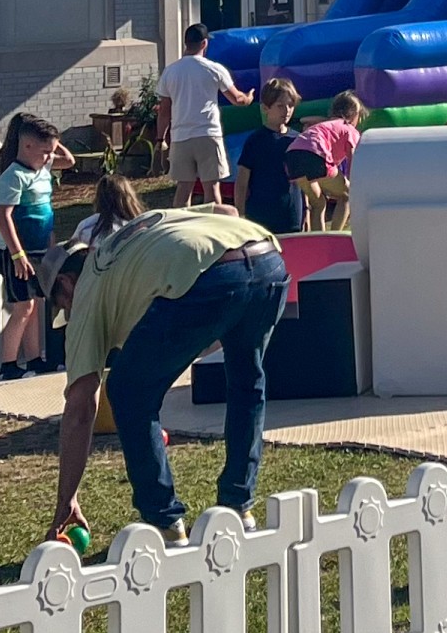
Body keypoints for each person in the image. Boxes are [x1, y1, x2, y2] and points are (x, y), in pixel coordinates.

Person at [46, 208, 286, 546]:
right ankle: (237, 507)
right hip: (267, 259)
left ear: (65, 284)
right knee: (247, 380)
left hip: (210, 277)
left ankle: (164, 521)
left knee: (128, 392)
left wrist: (66, 500)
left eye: (63, 306)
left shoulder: (86, 290)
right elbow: (225, 210)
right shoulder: (134, 237)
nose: (69, 314)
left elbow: (82, 409)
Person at [0, 113, 72, 379]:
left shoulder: (43, 169)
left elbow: (69, 161)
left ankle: (36, 358)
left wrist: (50, 140)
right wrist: (17, 254)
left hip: (39, 249)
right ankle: (9, 364)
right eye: (44, 151)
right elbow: (3, 216)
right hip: (17, 252)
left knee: (36, 304)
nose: (50, 157)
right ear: (26, 146)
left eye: (51, 152)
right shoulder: (13, 176)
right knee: (23, 306)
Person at [159, 25, 250, 207]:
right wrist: (249, 98)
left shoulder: (170, 71)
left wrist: (160, 138)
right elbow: (236, 99)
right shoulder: (213, 69)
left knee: (184, 189)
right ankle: (213, 228)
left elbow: (164, 110)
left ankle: (181, 229)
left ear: (185, 43)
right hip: (208, 134)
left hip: (180, 136)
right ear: (204, 43)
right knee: (212, 189)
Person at [233, 79, 306, 235]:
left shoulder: (298, 140)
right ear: (266, 108)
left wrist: (305, 210)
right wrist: (240, 214)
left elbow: (303, 182)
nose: (286, 110)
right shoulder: (255, 141)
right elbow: (242, 182)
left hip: (291, 217)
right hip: (261, 219)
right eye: (280, 106)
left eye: (290, 105)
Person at [287, 92, 364, 230]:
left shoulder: (325, 125)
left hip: (292, 156)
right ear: (354, 115)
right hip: (316, 155)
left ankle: (319, 239)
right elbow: (353, 157)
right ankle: (335, 235)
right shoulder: (349, 129)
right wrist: (353, 183)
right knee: (346, 196)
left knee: (318, 203)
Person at [73, 173, 143, 247]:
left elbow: (72, 250)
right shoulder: (139, 228)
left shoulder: (85, 226)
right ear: (129, 199)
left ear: (98, 198)